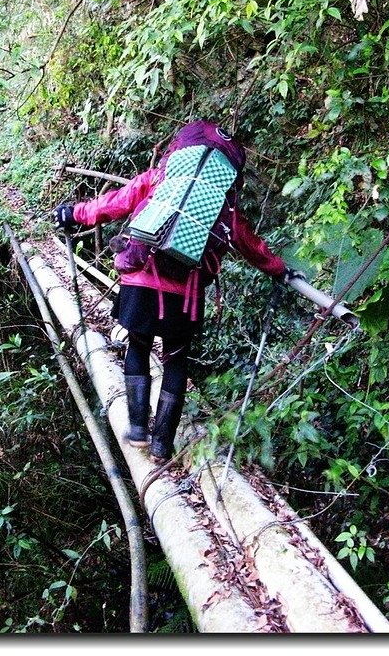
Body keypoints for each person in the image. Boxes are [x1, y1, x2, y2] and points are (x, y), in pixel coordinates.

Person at [54, 121, 295, 465]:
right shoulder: (222, 201)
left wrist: (75, 213)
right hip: (188, 290)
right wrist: (280, 269)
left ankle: (138, 430)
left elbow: (117, 202)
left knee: (138, 344)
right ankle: (162, 445)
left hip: (142, 276)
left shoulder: (163, 177)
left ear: (181, 149)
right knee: (175, 359)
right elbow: (248, 243)